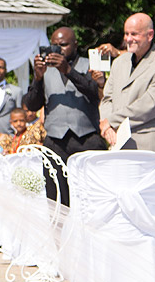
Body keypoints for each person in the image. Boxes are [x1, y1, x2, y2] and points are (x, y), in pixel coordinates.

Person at [23, 26, 103, 204]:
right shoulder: (44, 70)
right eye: (54, 45)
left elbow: (94, 92)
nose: (58, 49)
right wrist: (37, 78)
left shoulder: (88, 64)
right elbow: (31, 104)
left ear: (75, 44)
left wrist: (68, 71)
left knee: (91, 194)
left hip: (87, 138)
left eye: (64, 45)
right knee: (57, 196)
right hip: (55, 140)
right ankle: (59, 231)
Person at [98, 13, 155, 153]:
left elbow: (148, 106)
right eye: (126, 34)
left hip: (147, 146)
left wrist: (112, 121)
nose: (128, 39)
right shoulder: (119, 63)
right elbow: (107, 98)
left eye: (134, 34)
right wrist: (106, 124)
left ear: (150, 35)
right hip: (116, 142)